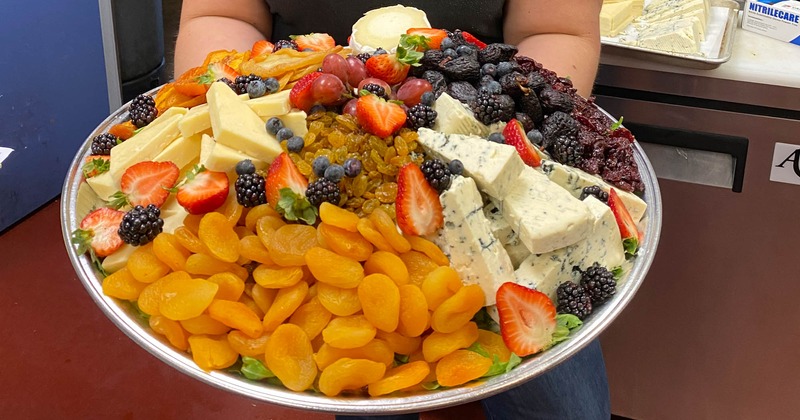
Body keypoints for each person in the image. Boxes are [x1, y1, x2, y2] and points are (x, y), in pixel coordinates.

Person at [174, 1, 609, 419]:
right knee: (366, 362)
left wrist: (518, 135)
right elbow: (221, 15)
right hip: (308, 131)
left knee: (561, 402)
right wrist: (222, 115)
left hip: (503, 212)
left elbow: (556, 28)